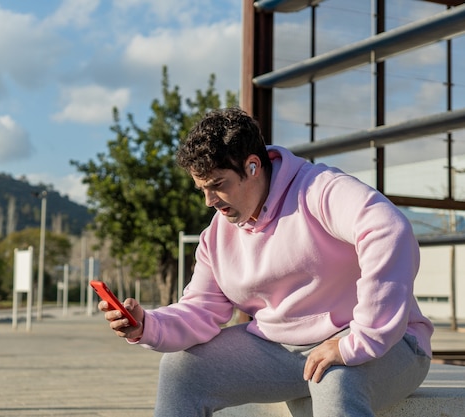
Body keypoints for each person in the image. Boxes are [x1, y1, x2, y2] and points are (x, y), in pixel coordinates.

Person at [99, 107, 433, 417]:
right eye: (202, 188)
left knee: (336, 377)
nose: (209, 201)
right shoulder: (217, 236)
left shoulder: (318, 190)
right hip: (281, 350)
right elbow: (199, 311)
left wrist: (360, 341)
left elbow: (388, 230)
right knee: (181, 370)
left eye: (218, 185)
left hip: (389, 345)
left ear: (253, 167)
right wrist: (147, 325)